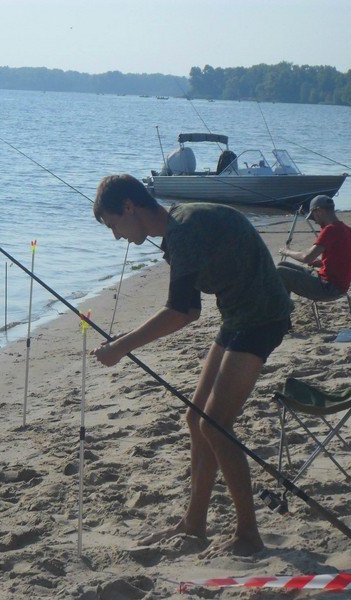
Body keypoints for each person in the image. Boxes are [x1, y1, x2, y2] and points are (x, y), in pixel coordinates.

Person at [90, 174, 293, 557]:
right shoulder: (179, 226)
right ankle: (194, 523)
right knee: (196, 418)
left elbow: (182, 312)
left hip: (262, 316)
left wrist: (120, 348)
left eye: (113, 225)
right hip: (238, 315)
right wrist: (122, 344)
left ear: (129, 207)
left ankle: (249, 535)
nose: (116, 237)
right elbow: (190, 307)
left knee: (215, 424)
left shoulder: (184, 229)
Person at [277, 195, 351, 301]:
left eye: (313, 217)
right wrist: (323, 263)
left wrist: (287, 251)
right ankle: (283, 307)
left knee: (280, 272)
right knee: (283, 265)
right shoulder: (350, 231)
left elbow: (306, 257)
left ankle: (283, 312)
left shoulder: (330, 230)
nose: (315, 222)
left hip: (328, 288)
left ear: (318, 211)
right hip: (339, 287)